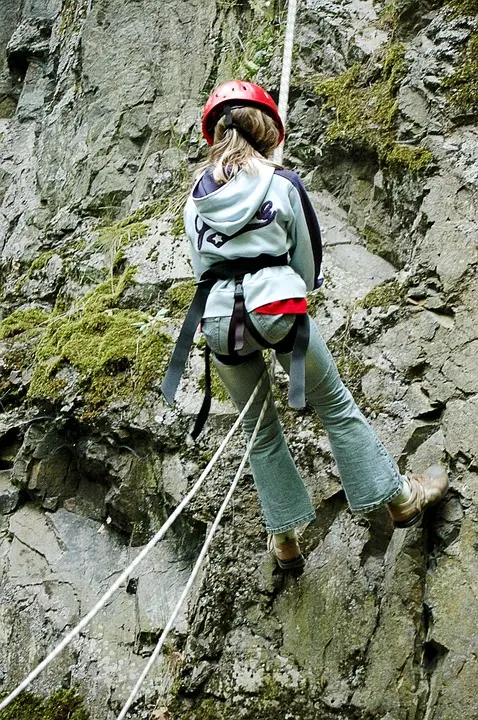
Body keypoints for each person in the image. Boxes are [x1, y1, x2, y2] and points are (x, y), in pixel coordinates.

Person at [166, 80, 449, 570]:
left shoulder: (194, 201)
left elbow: (201, 267)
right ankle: (401, 498)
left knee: (259, 430)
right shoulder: (283, 184)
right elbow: (308, 265)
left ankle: (285, 541)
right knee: (334, 406)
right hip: (278, 309)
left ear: (214, 134)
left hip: (217, 319)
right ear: (268, 130)